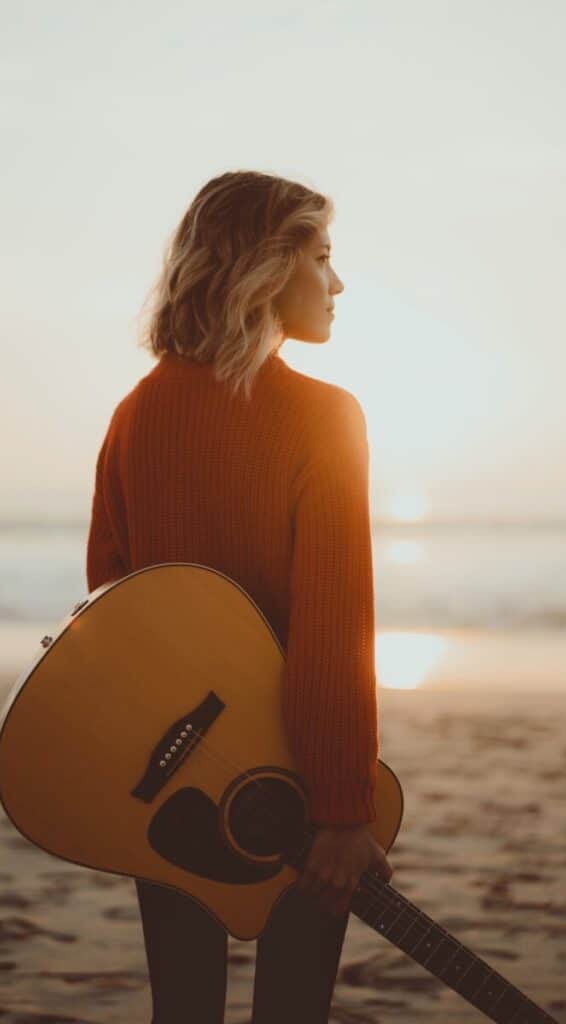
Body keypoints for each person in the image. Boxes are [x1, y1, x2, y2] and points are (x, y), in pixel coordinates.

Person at [86, 170, 393, 1024]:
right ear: (264, 270)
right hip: (287, 776)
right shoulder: (321, 416)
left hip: (162, 777)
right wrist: (340, 811)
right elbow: (333, 631)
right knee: (292, 1010)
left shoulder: (134, 415)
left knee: (180, 1010)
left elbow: (110, 617)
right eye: (321, 258)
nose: (336, 284)